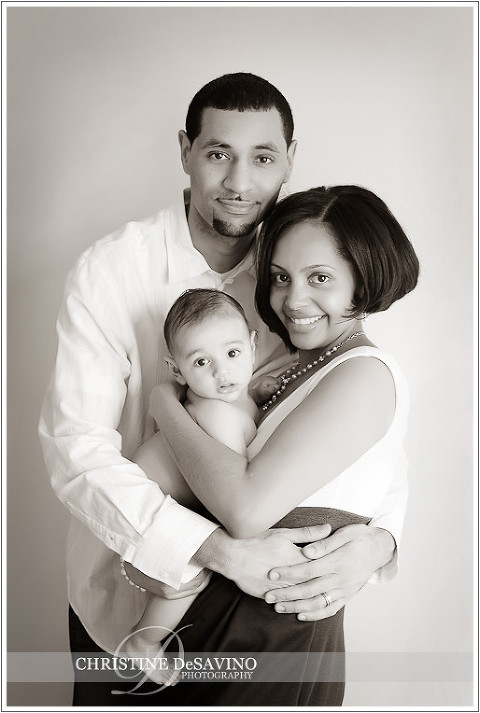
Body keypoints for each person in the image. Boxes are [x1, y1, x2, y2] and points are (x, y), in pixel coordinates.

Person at [38, 73, 404, 705]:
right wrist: (215, 548)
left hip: (266, 613)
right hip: (125, 600)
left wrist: (382, 540)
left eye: (263, 158)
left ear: (290, 158)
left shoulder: (298, 270)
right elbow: (77, 450)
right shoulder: (113, 271)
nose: (239, 182)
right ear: (186, 152)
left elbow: (355, 414)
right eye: (217, 154)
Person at [144, 184, 419, 705]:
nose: (293, 300)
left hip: (270, 637)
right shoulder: (294, 366)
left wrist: (164, 404)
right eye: (280, 278)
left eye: (320, 278)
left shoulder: (364, 375)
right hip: (218, 626)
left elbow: (245, 511)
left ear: (366, 276)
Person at [123, 288, 258, 680]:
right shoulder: (215, 414)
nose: (221, 372)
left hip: (175, 503)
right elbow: (235, 489)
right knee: (188, 574)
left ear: (252, 344)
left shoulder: (239, 398)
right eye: (202, 362)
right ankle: (143, 642)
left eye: (232, 354)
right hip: (147, 511)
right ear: (178, 371)